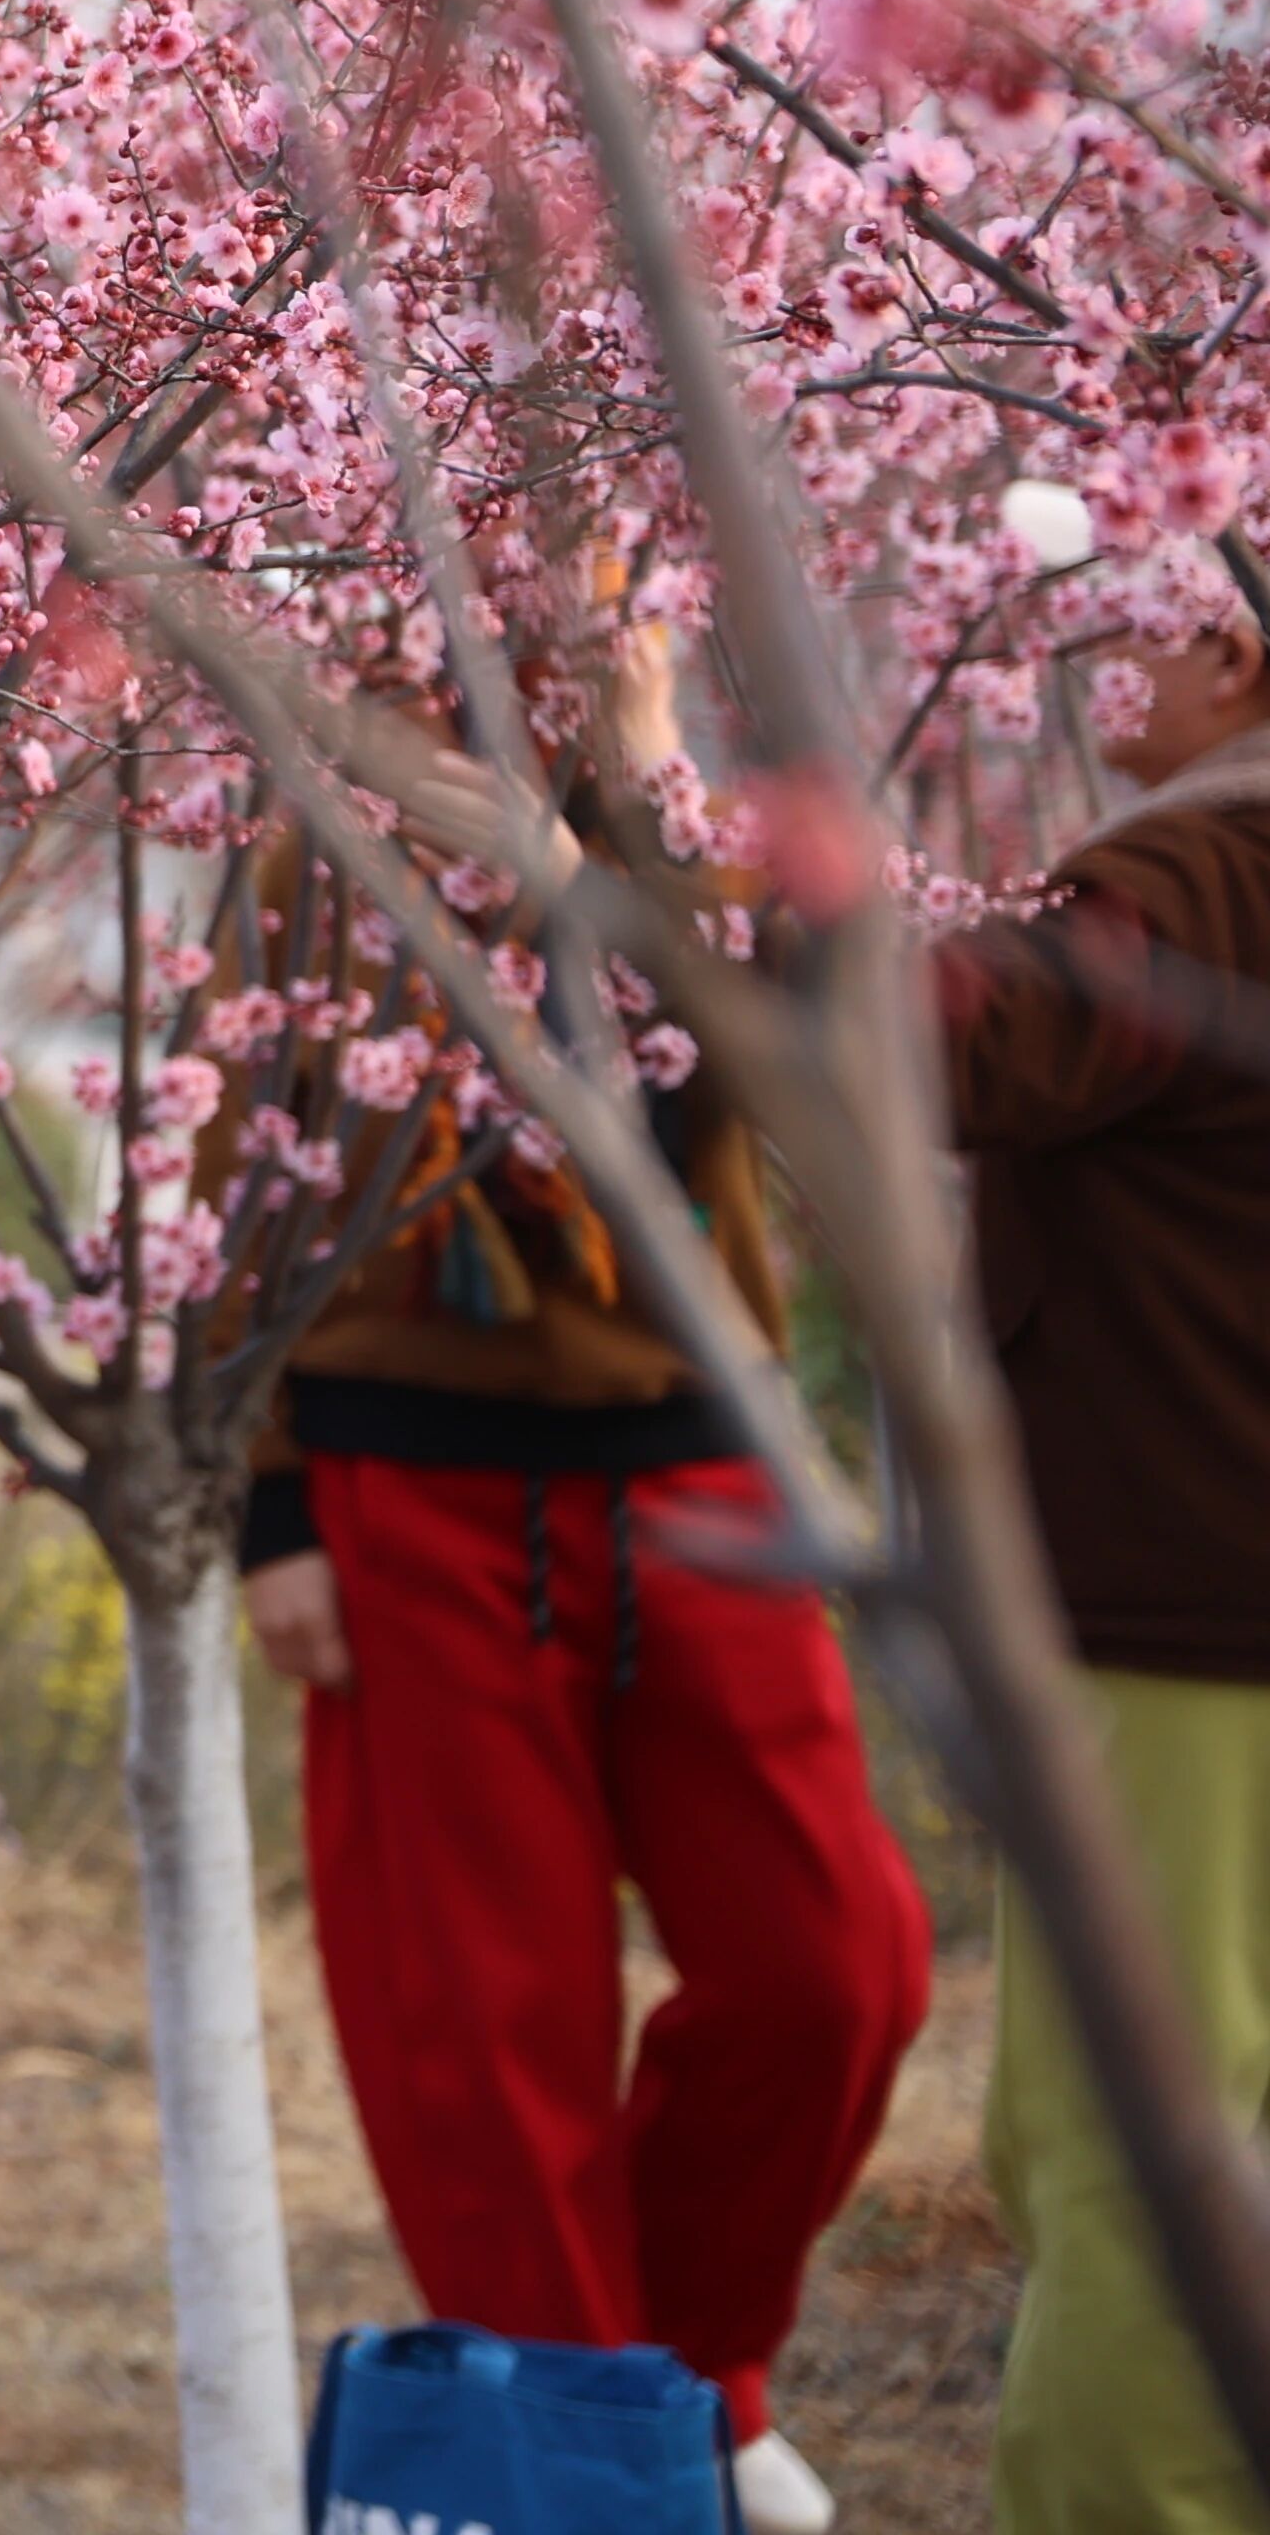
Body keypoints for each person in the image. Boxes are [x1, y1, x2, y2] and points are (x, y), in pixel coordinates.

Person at [241, 633, 930, 2535]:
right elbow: (246, 1159)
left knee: (837, 1968)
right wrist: (274, 1511)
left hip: (691, 1451)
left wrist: (637, 774)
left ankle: (683, 2392)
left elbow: (803, 1068)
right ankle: (590, 2484)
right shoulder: (329, 812)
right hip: (406, 1474)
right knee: (483, 2041)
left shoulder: (675, 820)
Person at [929, 606, 1270, 2535]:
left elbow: (900, 1037)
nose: (1073, 652)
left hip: (1195, 1628)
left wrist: (634, 850)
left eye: (1126, 619)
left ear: (1232, 649)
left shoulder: (1208, 878)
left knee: (1141, 2149)